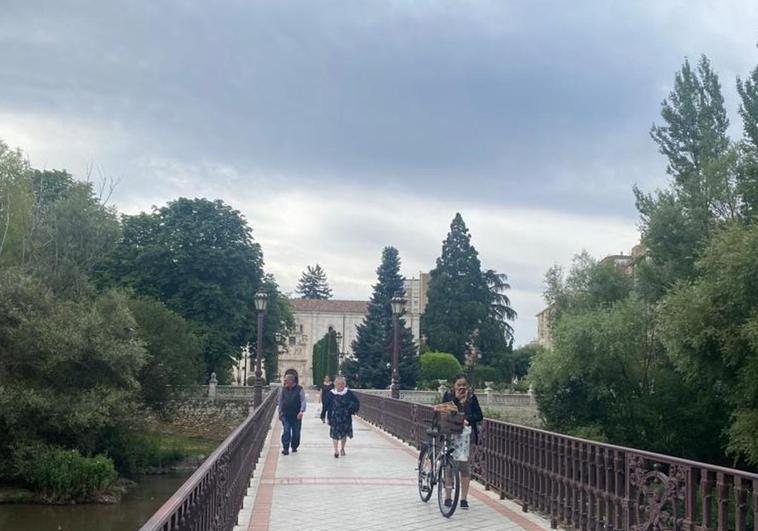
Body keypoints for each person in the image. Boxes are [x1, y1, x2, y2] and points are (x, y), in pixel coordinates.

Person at [441, 373, 483, 510]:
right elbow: (443, 410)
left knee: (465, 467)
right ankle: (448, 496)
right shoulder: (448, 395)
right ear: (454, 385)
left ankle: (464, 498)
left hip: (467, 436)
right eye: (459, 385)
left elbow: (479, 415)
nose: (462, 387)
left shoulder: (472, 397)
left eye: (464, 385)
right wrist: (456, 400)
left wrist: (468, 420)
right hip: (451, 434)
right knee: (449, 466)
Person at [324, 375, 359, 458]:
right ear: (335, 384)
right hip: (334, 417)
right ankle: (336, 450)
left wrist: (352, 409)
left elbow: (356, 402)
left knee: (344, 434)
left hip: (345, 417)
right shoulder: (331, 393)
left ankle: (342, 448)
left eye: (342, 384)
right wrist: (324, 415)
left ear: (344, 384)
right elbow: (326, 405)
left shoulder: (348, 393)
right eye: (339, 384)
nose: (340, 385)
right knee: (334, 434)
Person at [278, 372, 306, 455]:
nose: (285, 381)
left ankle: (294, 446)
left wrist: (301, 411)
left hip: (296, 415)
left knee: (296, 433)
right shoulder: (283, 389)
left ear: (291, 381)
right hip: (285, 414)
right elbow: (280, 401)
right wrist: (279, 412)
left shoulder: (299, 389)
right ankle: (285, 448)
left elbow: (303, 400)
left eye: (286, 380)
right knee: (286, 431)